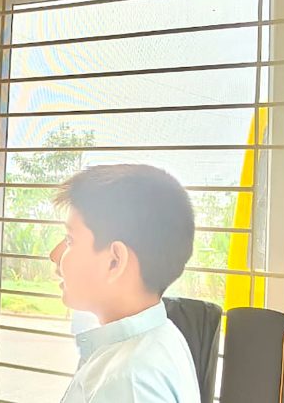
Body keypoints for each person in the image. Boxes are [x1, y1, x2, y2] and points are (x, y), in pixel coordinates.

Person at [50, 165, 200, 403]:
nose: (54, 255)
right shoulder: (162, 336)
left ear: (114, 261)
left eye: (70, 240)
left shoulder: (128, 382)